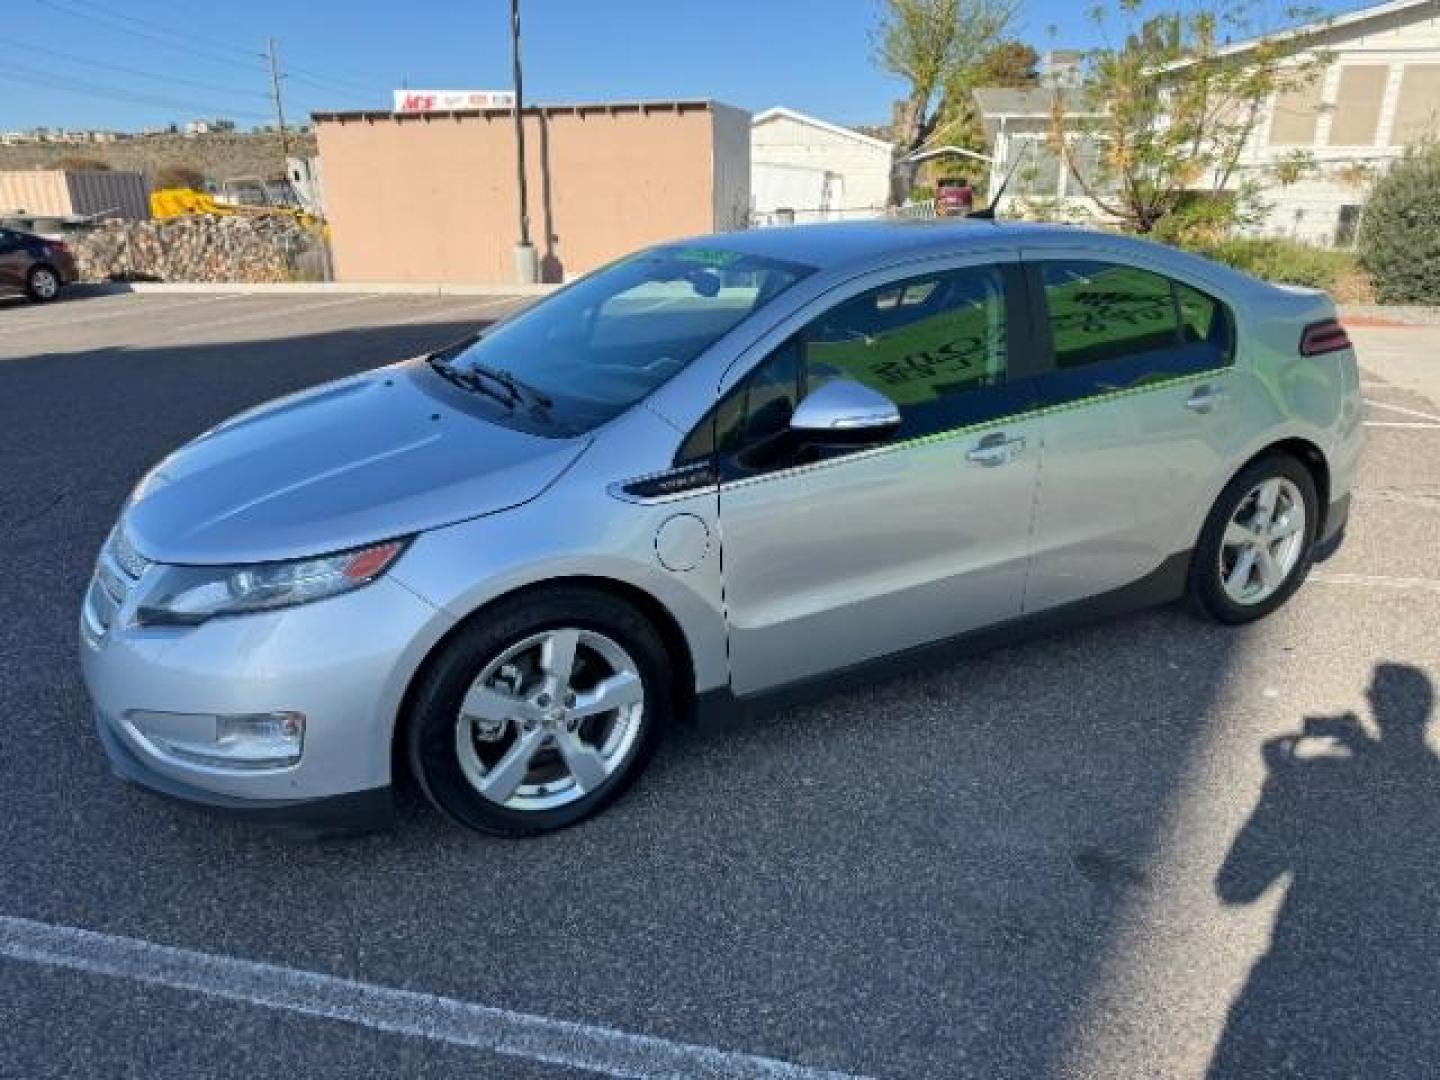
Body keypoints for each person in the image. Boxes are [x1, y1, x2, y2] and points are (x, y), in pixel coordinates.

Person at [1209, 664, 1440, 1078]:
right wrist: (1363, 746)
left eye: (1372, 692)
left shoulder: (1319, 780)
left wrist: (1278, 776)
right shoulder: (1431, 780)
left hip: (1298, 961)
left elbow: (1237, 885)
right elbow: (1403, 781)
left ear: (1377, 705)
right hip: (1402, 977)